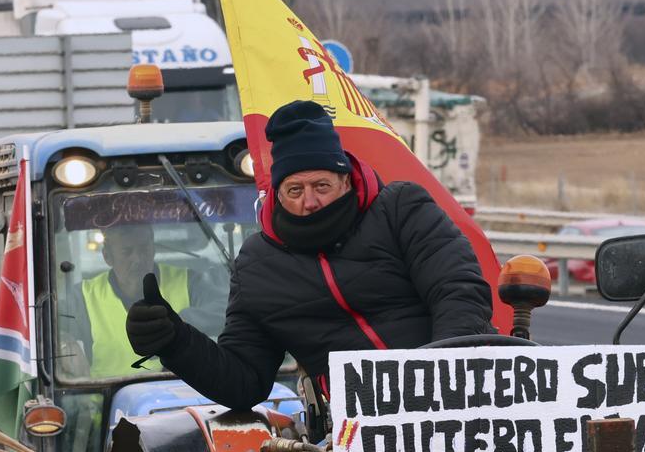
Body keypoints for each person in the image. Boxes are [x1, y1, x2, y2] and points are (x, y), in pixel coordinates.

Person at [125, 99, 494, 411]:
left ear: (346, 179)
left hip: (457, 399)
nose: (310, 201)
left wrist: (440, 384)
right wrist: (175, 342)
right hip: (356, 433)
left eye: (322, 186)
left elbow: (459, 290)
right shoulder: (257, 266)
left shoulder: (400, 209)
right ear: (277, 194)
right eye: (295, 189)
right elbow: (244, 382)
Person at [69, 224, 192, 378]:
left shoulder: (190, 282)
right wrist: (64, 342)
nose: (138, 259)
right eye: (127, 252)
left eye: (144, 249)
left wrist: (178, 327)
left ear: (153, 249)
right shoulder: (82, 297)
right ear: (107, 256)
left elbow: (223, 309)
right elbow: (51, 325)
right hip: (107, 398)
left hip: (180, 396)